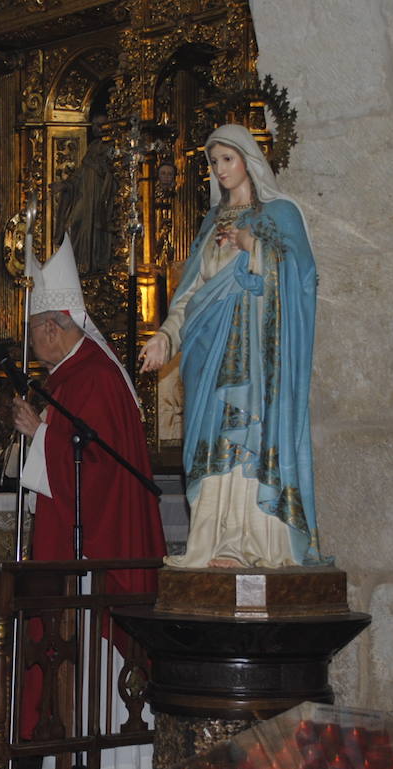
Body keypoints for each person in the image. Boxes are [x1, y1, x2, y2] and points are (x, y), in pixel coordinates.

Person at [138, 123, 328, 570]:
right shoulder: (210, 223)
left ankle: (255, 541)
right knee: (214, 441)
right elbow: (190, 293)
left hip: (259, 360)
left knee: (251, 437)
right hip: (210, 357)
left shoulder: (280, 215)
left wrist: (251, 243)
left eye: (228, 158)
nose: (220, 169)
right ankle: (218, 539)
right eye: (213, 161)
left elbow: (302, 277)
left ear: (248, 160)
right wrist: (166, 335)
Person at [11, 233, 165, 769]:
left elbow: (94, 469)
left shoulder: (95, 376)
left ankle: (99, 758)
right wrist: (41, 432)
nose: (31, 343)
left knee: (84, 643)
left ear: (56, 327)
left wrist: (40, 432)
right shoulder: (71, 374)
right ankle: (64, 751)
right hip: (71, 534)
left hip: (96, 546)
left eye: (34, 330)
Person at [53, 112, 116, 275]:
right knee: (70, 225)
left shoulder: (112, 147)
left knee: (97, 229)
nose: (98, 129)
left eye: (101, 125)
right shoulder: (93, 146)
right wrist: (66, 185)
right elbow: (80, 174)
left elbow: (112, 173)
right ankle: (75, 266)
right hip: (85, 195)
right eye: (95, 125)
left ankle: (93, 265)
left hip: (100, 197)